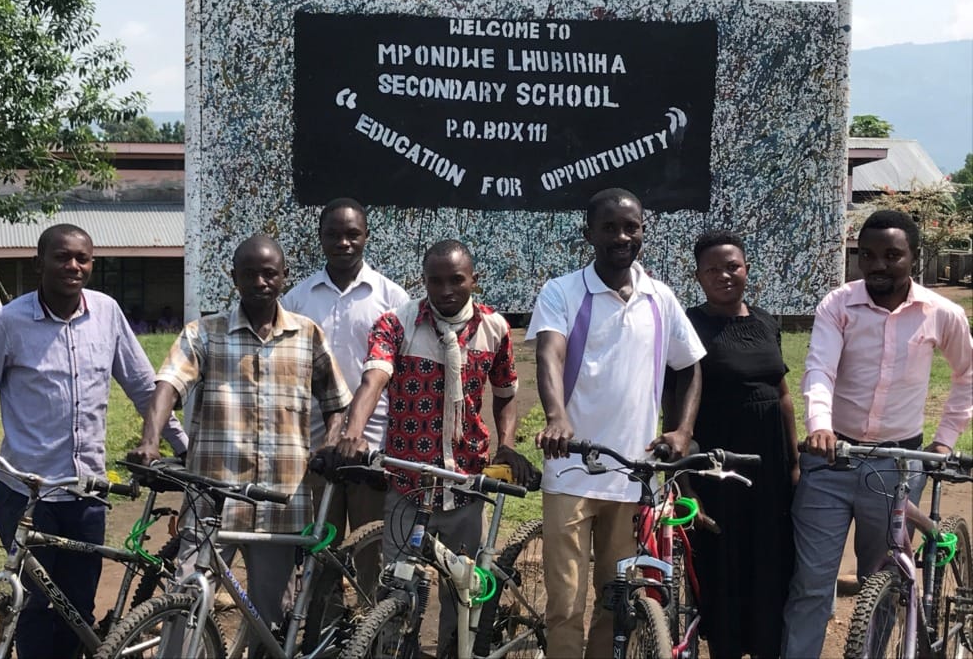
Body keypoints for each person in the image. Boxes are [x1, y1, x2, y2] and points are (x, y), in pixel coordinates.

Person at [0, 224, 188, 659]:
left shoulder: (107, 313)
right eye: (62, 257)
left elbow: (145, 389)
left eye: (83, 259)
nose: (73, 266)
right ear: (39, 263)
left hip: (86, 492)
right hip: (26, 493)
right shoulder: (7, 322)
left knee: (77, 606)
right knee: (33, 604)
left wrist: (184, 447)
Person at [130, 234, 352, 644]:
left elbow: (336, 402)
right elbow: (168, 386)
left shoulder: (308, 335)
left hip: (280, 503)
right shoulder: (205, 333)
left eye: (269, 273)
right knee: (184, 602)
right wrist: (150, 440)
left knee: (270, 622)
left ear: (284, 277)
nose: (260, 282)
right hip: (212, 499)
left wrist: (330, 442)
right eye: (249, 273)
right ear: (234, 278)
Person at [782, 209, 973, 658]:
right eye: (867, 255)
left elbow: (966, 376)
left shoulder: (941, 313)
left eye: (892, 255)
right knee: (811, 584)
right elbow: (819, 369)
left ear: (915, 257)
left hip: (897, 466)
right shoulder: (839, 304)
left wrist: (945, 439)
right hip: (832, 460)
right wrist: (820, 426)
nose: (878, 265)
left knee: (883, 582)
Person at [528, 188, 706, 658]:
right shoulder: (562, 291)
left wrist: (681, 430)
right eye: (610, 227)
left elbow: (689, 367)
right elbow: (549, 354)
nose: (622, 237)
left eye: (632, 227)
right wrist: (556, 417)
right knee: (565, 604)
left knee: (617, 602)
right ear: (589, 233)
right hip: (570, 471)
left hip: (633, 474)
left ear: (643, 232)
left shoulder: (659, 297)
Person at [335, 239, 534, 657]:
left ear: (473, 280)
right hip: (409, 480)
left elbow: (506, 392)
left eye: (456, 280)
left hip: (465, 483)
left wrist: (508, 445)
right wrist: (353, 430)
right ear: (422, 281)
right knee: (398, 588)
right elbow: (375, 377)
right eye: (435, 281)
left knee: (459, 597)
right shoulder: (397, 323)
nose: (446, 290)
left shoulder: (494, 328)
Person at [667, 230, 797, 658]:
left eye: (733, 266)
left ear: (746, 268)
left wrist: (794, 463)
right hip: (716, 464)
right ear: (698, 276)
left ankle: (765, 647)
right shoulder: (688, 326)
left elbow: (782, 395)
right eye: (713, 269)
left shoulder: (764, 322)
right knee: (722, 560)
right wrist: (686, 484)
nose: (724, 275)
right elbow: (676, 409)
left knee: (770, 558)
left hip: (769, 465)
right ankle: (725, 647)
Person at [283, 197, 409, 543]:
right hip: (313, 445)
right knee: (319, 545)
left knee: (371, 545)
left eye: (352, 234)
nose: (343, 243)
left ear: (366, 236)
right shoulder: (297, 300)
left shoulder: (393, 299)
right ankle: (325, 601)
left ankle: (370, 600)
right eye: (333, 234)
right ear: (320, 238)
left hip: (372, 443)